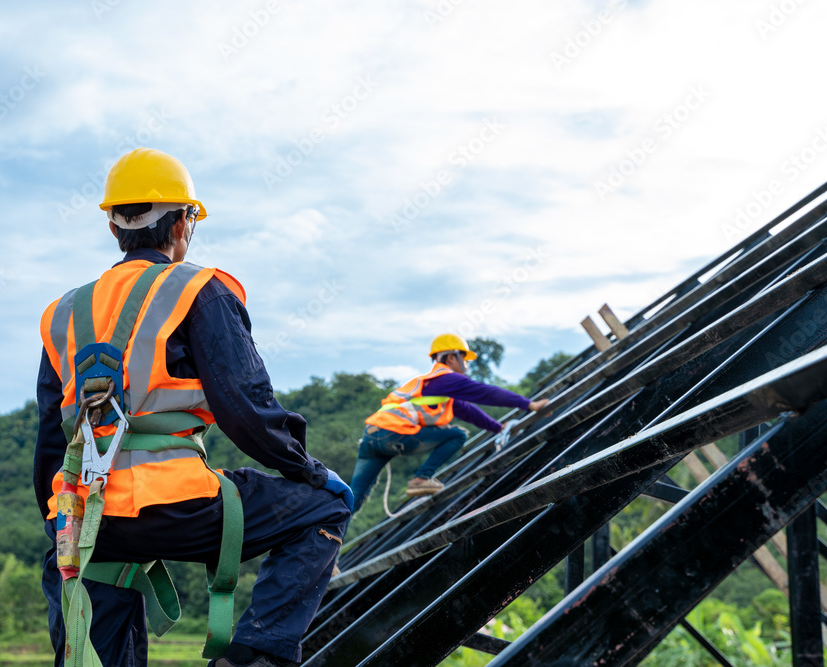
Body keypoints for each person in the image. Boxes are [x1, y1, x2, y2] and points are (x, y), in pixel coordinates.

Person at [33, 147, 352, 667]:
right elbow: (246, 408)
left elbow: (52, 437)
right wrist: (308, 469)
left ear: (115, 228)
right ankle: (252, 658)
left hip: (85, 516)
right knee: (325, 506)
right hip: (175, 502)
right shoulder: (198, 289)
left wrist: (60, 525)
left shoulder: (64, 311)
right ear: (183, 222)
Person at [349, 333, 549, 513]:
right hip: (393, 433)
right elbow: (485, 393)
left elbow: (468, 411)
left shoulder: (434, 387)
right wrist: (529, 404)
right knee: (457, 435)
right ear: (452, 357)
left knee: (353, 499)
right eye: (464, 358)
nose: (466, 365)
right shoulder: (445, 379)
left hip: (371, 436)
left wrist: (499, 428)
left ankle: (329, 550)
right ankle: (421, 479)